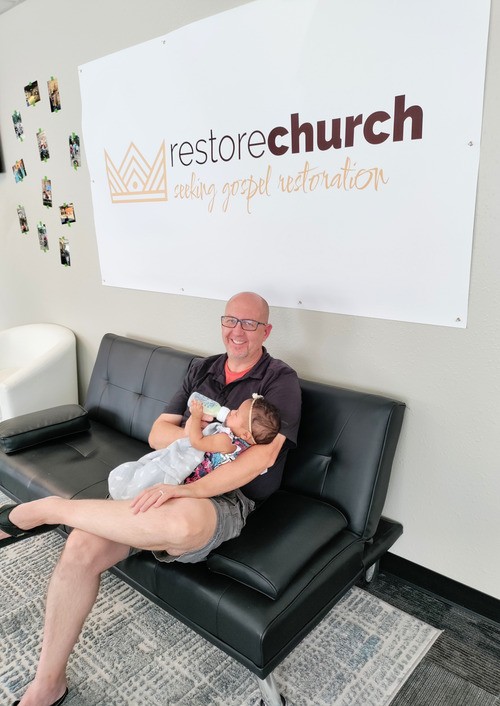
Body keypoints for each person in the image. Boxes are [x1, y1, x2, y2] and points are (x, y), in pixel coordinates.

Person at [0, 291, 301, 706]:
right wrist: (197, 444)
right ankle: (47, 684)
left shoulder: (279, 380)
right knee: (81, 546)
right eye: (231, 320)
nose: (238, 331)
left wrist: (185, 487)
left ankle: (51, 509)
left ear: (266, 331)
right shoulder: (202, 369)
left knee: (181, 521)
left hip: (226, 497)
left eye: (250, 324)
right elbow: (158, 434)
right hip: (171, 474)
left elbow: (259, 460)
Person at [108, 394, 281, 500]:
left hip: (190, 475)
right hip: (195, 475)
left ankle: (128, 490)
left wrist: (196, 417)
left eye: (236, 414)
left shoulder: (226, 440)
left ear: (245, 435)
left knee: (149, 478)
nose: (232, 411)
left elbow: (197, 442)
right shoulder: (241, 445)